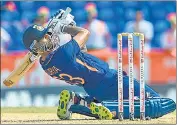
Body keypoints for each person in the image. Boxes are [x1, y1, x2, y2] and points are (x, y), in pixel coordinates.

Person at [22, 9, 175, 120]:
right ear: (37, 45)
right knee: (158, 103)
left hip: (93, 89)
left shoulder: (45, 64)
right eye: (44, 38)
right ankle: (108, 107)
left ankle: (76, 102)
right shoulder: (64, 53)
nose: (49, 38)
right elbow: (85, 33)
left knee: (121, 106)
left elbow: (82, 51)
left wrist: (69, 27)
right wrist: (63, 27)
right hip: (109, 80)